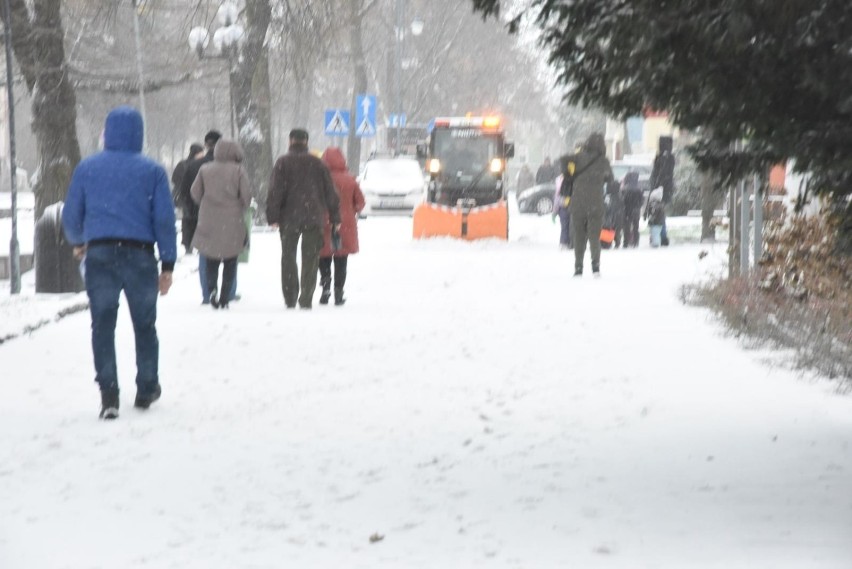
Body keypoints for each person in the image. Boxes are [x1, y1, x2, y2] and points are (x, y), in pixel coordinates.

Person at [62, 106, 176, 420]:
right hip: (140, 256)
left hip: (98, 254)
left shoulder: (87, 168)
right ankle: (147, 386)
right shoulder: (152, 171)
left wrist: (78, 241)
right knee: (144, 324)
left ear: (107, 132)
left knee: (102, 324)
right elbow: (164, 220)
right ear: (138, 133)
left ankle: (109, 393)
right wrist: (167, 264)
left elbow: (71, 215)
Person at [267, 128, 341, 309]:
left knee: (288, 257)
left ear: (290, 141)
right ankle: (306, 298)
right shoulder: (318, 164)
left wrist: (273, 216)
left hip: (289, 218)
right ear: (306, 142)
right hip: (313, 217)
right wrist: (335, 217)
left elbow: (275, 191)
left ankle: (290, 297)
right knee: (310, 258)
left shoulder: (282, 163)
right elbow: (330, 193)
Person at [190, 138, 252, 309]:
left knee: (211, 258)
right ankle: (225, 296)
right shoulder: (239, 171)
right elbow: (246, 196)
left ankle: (212, 290)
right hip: (232, 220)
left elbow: (195, 193)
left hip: (208, 218)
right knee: (230, 260)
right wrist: (241, 204)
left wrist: (206, 201)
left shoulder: (205, 169)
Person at [318, 147, 365, 306]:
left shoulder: (322, 179)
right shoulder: (350, 180)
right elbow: (360, 202)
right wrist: (352, 210)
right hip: (345, 224)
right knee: (341, 258)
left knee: (323, 256)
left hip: (325, 222)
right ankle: (339, 291)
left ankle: (325, 287)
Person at [565, 132, 613, 277]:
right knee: (594, 236)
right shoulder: (603, 161)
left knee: (579, 236)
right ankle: (595, 267)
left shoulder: (576, 159)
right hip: (595, 203)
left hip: (578, 203)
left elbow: (568, 178)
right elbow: (609, 178)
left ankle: (578, 268)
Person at [171, 142, 203, 248]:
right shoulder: (198, 165)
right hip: (194, 196)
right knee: (195, 219)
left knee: (188, 218)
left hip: (186, 197)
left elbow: (174, 178)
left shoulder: (183, 164)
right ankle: (192, 243)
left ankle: (187, 242)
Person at [649, 135, 675, 246]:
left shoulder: (662, 157)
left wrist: (656, 185)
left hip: (660, 188)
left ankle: (661, 236)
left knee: (658, 213)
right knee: (660, 212)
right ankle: (662, 236)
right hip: (665, 188)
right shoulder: (669, 157)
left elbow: (659, 173)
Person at [622, 170, 643, 247]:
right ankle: (636, 242)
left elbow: (623, 200)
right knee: (636, 227)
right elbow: (641, 201)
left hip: (627, 210)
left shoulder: (625, 189)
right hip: (636, 210)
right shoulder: (639, 189)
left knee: (626, 228)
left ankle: (626, 242)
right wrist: (638, 206)